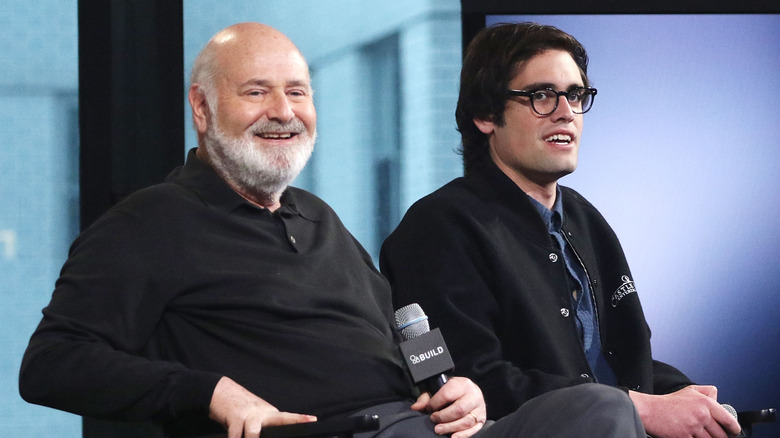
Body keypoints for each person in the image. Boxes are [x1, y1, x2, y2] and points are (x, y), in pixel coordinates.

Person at [19, 22, 646, 438]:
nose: (284, 112)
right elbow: (49, 365)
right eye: (256, 92)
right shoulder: (148, 223)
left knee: (597, 409)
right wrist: (209, 392)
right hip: (344, 431)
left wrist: (453, 383)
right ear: (202, 110)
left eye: (297, 92)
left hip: (420, 425)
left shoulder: (316, 217)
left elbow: (407, 329)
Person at [380, 22, 743, 438]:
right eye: (541, 95)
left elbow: (614, 368)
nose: (566, 111)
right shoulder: (436, 228)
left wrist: (682, 397)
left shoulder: (587, 220)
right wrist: (637, 407)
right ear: (485, 115)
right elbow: (468, 382)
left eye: (574, 94)